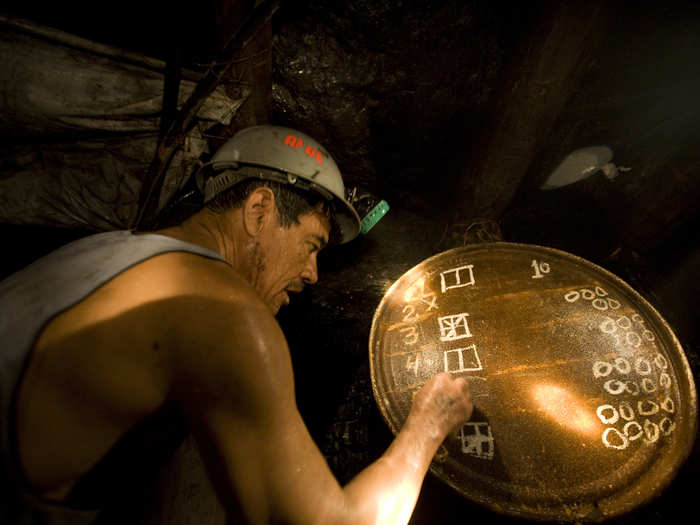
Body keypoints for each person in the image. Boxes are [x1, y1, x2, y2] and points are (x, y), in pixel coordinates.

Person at [0, 125, 473, 524]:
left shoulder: (112, 248)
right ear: (259, 211)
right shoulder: (222, 310)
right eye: (311, 245)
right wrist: (427, 428)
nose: (313, 273)